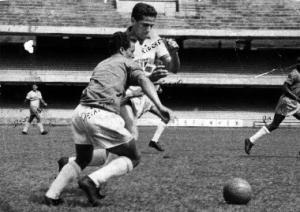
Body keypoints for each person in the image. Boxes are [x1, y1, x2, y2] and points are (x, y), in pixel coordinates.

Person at [44, 31, 173, 206]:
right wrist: (159, 105)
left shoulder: (102, 64)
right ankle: (92, 181)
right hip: (101, 115)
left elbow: (122, 85)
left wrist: (148, 78)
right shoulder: (128, 62)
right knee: (134, 156)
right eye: (130, 51)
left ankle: (52, 194)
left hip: (80, 112)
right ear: (122, 49)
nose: (132, 55)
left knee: (83, 158)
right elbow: (142, 81)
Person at [121, 2, 180, 151]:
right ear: (133, 21)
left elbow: (173, 69)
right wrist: (149, 78)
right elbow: (120, 77)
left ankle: (154, 140)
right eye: (144, 25)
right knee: (130, 138)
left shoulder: (155, 39)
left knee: (166, 116)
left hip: (147, 95)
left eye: (151, 25)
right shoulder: (121, 41)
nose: (148, 29)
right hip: (127, 96)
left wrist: (174, 53)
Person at [244, 58, 300, 155]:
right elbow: (284, 87)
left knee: (274, 125)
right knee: (274, 124)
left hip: (294, 104)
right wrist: (295, 97)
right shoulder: (294, 74)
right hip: (287, 102)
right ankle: (250, 140)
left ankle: (250, 140)